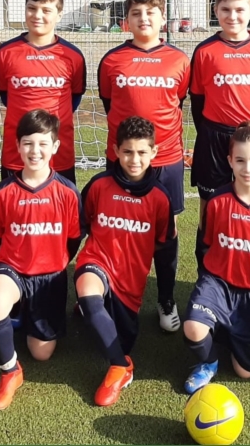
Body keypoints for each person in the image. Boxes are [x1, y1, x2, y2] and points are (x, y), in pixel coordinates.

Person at [97, 0, 190, 333]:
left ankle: (166, 299)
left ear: (163, 18)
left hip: (166, 160)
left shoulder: (179, 60)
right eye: (136, 13)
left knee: (167, 231)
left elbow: (180, 101)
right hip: (123, 160)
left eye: (151, 12)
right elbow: (109, 103)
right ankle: (116, 295)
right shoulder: (112, 60)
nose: (143, 18)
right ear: (126, 20)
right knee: (118, 227)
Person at [0, 109, 84, 411]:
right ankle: (9, 371)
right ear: (17, 145)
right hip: (12, 269)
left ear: (55, 146)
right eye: (27, 143)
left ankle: (22, 313)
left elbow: (73, 240)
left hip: (49, 277)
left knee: (41, 353)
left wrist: (54, 261)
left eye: (42, 143)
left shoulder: (67, 192)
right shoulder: (4, 191)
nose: (34, 151)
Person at [74, 116, 176, 406]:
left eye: (142, 152)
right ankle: (121, 366)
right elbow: (81, 227)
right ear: (116, 151)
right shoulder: (98, 185)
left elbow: (165, 252)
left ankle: (99, 314)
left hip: (130, 282)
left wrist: (166, 297)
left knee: (123, 338)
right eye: (128, 151)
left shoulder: (160, 198)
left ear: (154, 152)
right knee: (88, 290)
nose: (134, 159)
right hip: (97, 262)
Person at [182, 122, 250, 395]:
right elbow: (207, 243)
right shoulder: (217, 201)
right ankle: (209, 362)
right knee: (193, 327)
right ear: (230, 161)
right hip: (218, 284)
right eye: (240, 160)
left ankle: (231, 330)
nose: (247, 168)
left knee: (245, 371)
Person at [189, 0, 250, 270]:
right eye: (226, 9)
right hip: (213, 137)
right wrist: (212, 130)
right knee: (210, 204)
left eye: (240, 9)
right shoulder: (204, 51)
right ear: (215, 10)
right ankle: (206, 269)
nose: (233, 16)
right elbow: (197, 101)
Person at [0, 0, 87, 183]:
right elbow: (5, 95)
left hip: (58, 155)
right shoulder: (6, 52)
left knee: (61, 203)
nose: (37, 15)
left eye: (46, 10)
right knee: (12, 203)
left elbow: (74, 98)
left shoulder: (73, 56)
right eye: (32, 8)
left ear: (59, 15)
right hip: (16, 154)